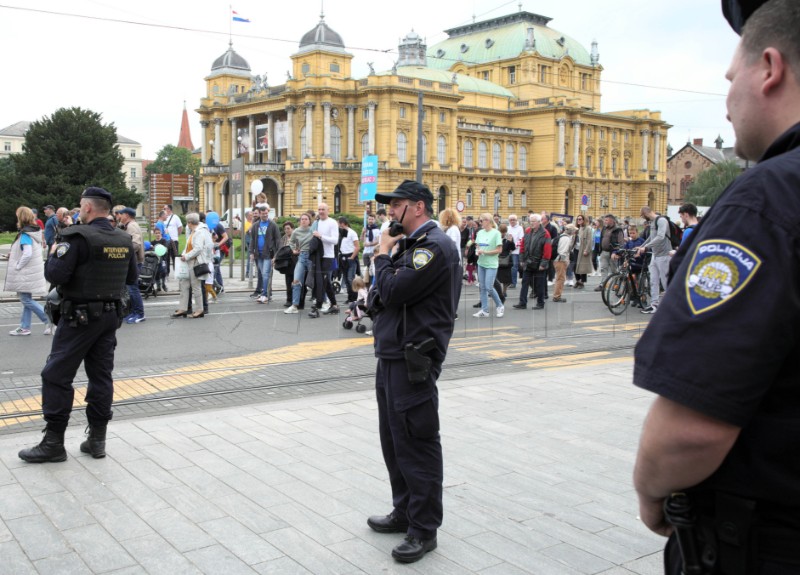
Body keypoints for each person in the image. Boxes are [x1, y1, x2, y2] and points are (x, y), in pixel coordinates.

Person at [633, 1, 800, 572]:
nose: (727, 102)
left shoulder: (766, 199)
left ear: (769, 69)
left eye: (731, 79)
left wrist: (652, 491)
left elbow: (691, 428)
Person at [367, 180, 461, 564]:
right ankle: (404, 510)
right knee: (394, 439)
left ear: (418, 207)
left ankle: (424, 529)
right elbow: (379, 296)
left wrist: (381, 257)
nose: (390, 211)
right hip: (393, 353)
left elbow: (392, 292)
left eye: (396, 204)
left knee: (417, 443)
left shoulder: (434, 248)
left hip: (414, 358)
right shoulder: (412, 246)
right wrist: (385, 271)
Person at [18, 187, 137, 463]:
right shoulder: (123, 238)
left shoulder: (76, 236)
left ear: (87, 208)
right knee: (101, 376)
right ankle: (97, 440)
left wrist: (55, 252)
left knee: (56, 375)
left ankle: (53, 443)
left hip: (79, 318)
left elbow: (55, 273)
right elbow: (131, 277)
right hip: (110, 317)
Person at [5, 207, 51, 336]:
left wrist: (18, 265)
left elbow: (27, 253)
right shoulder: (34, 231)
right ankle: (25, 327)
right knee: (27, 299)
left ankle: (49, 320)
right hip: (31, 271)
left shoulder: (25, 234)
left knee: (25, 299)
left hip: (26, 272)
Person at [172, 213, 213, 319]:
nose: (187, 224)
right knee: (184, 285)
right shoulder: (193, 231)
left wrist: (187, 256)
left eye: (187, 222)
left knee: (196, 287)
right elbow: (189, 246)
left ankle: (199, 310)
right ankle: (183, 308)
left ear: (190, 223)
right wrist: (184, 254)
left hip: (195, 262)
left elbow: (198, 248)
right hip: (189, 261)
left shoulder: (198, 232)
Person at [635, 206, 671, 314]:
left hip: (664, 254)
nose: (643, 218)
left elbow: (660, 237)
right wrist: (641, 247)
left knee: (665, 282)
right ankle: (654, 304)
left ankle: (672, 305)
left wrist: (646, 247)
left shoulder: (662, 220)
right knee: (653, 280)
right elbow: (651, 237)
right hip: (655, 255)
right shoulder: (652, 222)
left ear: (646, 212)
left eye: (643, 215)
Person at [513, 214, 551, 310]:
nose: (532, 223)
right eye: (531, 221)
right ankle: (522, 303)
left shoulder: (545, 233)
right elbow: (522, 246)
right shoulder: (527, 231)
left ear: (539, 222)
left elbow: (547, 251)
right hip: (528, 262)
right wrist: (521, 259)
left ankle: (540, 303)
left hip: (539, 262)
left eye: (534, 221)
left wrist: (543, 264)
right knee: (524, 283)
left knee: (539, 284)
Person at [308, 203, 340, 317]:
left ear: (328, 210)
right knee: (325, 282)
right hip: (318, 256)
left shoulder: (332, 222)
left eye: (323, 209)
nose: (321, 211)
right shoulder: (318, 222)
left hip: (328, 256)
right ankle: (334, 305)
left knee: (322, 281)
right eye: (319, 209)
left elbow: (335, 240)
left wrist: (321, 236)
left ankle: (317, 306)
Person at [117, 207, 146, 324]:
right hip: (133, 261)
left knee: (133, 289)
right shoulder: (129, 225)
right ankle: (134, 312)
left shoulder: (132, 226)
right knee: (131, 289)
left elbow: (136, 244)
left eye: (121, 214)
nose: (119, 216)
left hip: (134, 262)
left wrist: (124, 252)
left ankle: (139, 314)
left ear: (127, 215)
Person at [473, 212, 504, 318]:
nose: (480, 222)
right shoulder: (480, 233)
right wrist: (477, 250)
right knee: (482, 287)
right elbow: (477, 245)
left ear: (488, 221)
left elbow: (499, 250)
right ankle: (484, 310)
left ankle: (500, 305)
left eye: (482, 220)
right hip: (481, 263)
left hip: (491, 264)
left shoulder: (496, 233)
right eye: (480, 220)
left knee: (489, 287)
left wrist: (485, 252)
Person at [248, 205, 280, 304]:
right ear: (260, 214)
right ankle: (266, 293)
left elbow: (278, 240)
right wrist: (251, 252)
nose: (265, 215)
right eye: (263, 214)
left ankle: (264, 295)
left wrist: (276, 255)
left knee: (266, 274)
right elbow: (253, 239)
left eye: (266, 213)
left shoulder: (272, 224)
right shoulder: (256, 225)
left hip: (268, 253)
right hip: (258, 254)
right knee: (262, 274)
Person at [285, 212, 314, 313]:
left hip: (312, 257)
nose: (304, 221)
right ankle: (294, 305)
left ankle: (323, 301)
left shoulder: (313, 230)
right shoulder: (296, 231)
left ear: (309, 221)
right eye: (302, 219)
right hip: (301, 256)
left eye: (306, 219)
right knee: (296, 281)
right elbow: (291, 242)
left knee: (315, 282)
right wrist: (293, 250)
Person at [338, 217, 360, 303]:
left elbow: (357, 247)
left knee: (350, 278)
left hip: (351, 257)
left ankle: (355, 297)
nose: (338, 226)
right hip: (343, 257)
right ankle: (350, 297)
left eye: (338, 223)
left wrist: (352, 257)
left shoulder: (352, 232)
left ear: (342, 223)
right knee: (346, 280)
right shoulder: (342, 233)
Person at [552, 224, 576, 303]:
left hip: (557, 259)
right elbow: (563, 251)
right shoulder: (566, 239)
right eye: (573, 230)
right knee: (560, 278)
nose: (574, 232)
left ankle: (556, 295)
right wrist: (565, 260)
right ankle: (557, 296)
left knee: (559, 278)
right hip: (560, 260)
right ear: (571, 231)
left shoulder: (561, 236)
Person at [495, 223, 516, 299]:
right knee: (496, 277)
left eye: (504, 232)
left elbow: (513, 248)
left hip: (506, 260)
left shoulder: (509, 237)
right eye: (501, 232)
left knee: (506, 278)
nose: (503, 234)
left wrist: (511, 242)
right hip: (497, 258)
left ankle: (504, 292)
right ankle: (497, 291)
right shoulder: (496, 236)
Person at [573, 214, 593, 289]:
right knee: (574, 265)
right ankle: (578, 280)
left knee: (583, 266)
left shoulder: (587, 228)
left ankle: (582, 282)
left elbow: (589, 240)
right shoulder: (577, 229)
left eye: (580, 219)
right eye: (578, 219)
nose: (579, 220)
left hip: (583, 249)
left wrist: (587, 250)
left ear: (584, 220)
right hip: (576, 249)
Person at [163, 204, 183, 272]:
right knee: (166, 257)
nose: (164, 210)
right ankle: (167, 272)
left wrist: (176, 236)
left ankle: (176, 271)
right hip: (165, 240)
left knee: (175, 256)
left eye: (165, 208)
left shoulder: (175, 217)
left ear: (169, 209)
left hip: (174, 240)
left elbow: (180, 227)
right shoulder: (164, 218)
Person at [507, 214, 525, 289]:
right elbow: (506, 238)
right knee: (510, 267)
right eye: (511, 220)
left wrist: (513, 248)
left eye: (514, 219)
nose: (512, 221)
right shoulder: (508, 228)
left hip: (517, 251)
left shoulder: (520, 228)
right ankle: (510, 281)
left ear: (516, 220)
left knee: (515, 267)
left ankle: (514, 282)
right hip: (509, 251)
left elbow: (521, 240)